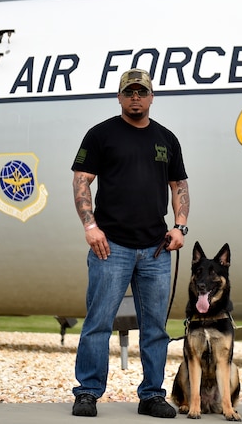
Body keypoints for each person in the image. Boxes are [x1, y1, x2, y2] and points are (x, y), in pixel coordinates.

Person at [70, 68, 189, 418]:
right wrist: (90, 226)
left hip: (155, 249)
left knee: (155, 329)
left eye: (141, 91)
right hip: (112, 248)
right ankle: (88, 392)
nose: (135, 97)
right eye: (129, 92)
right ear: (119, 97)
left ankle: (152, 395)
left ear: (152, 97)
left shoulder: (167, 139)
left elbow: (179, 185)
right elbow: (82, 180)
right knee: (99, 322)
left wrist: (180, 226)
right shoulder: (100, 135)